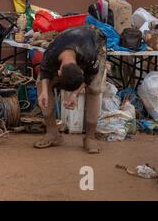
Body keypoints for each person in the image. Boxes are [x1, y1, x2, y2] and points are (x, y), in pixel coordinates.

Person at [34, 25, 107, 154]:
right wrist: (44, 92)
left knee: (94, 89)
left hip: (95, 43)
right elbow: (44, 71)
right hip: (67, 40)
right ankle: (52, 133)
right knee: (41, 83)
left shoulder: (90, 56)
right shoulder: (51, 54)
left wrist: (74, 94)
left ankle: (90, 137)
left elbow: (89, 76)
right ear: (59, 72)